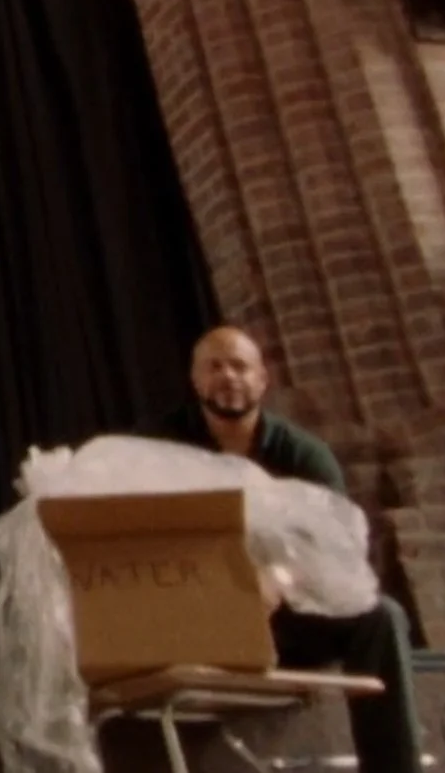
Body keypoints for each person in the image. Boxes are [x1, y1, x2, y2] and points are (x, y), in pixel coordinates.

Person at [150, 326, 421, 773]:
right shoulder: (159, 446)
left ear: (262, 380)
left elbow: (334, 546)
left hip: (284, 620)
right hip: (197, 620)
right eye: (214, 366)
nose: (228, 376)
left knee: (382, 617)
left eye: (240, 366)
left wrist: (280, 579)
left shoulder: (303, 454)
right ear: (195, 380)